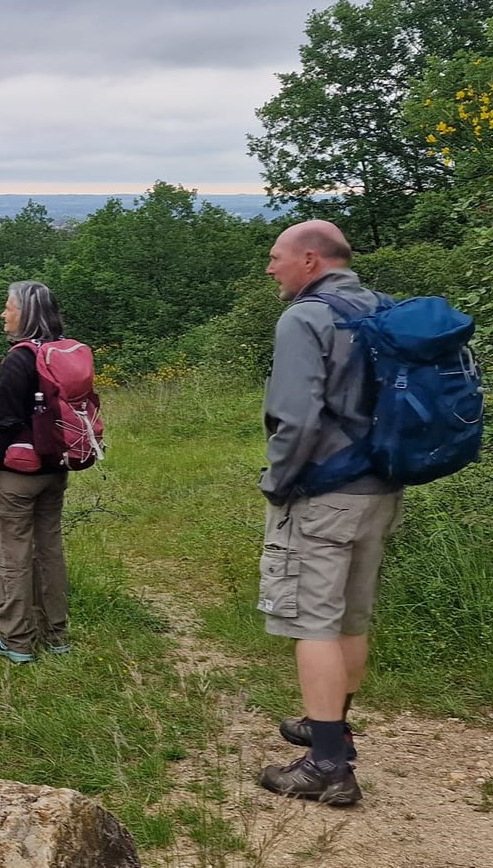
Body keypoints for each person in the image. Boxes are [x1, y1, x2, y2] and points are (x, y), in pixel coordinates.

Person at [256, 219, 403, 805]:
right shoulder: (380, 308)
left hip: (323, 493)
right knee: (350, 619)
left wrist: (277, 483)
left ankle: (327, 765)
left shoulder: (306, 318)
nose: (271, 267)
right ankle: (331, 727)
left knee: (313, 623)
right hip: (380, 488)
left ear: (310, 260)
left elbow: (295, 419)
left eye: (277, 257)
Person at [0, 281, 71, 665]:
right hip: (55, 468)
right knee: (49, 552)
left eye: (8, 307)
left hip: (18, 475)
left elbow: (6, 424)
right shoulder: (61, 352)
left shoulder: (20, 359)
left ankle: (16, 642)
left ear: (25, 314)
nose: (3, 313)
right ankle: (56, 636)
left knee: (11, 556)